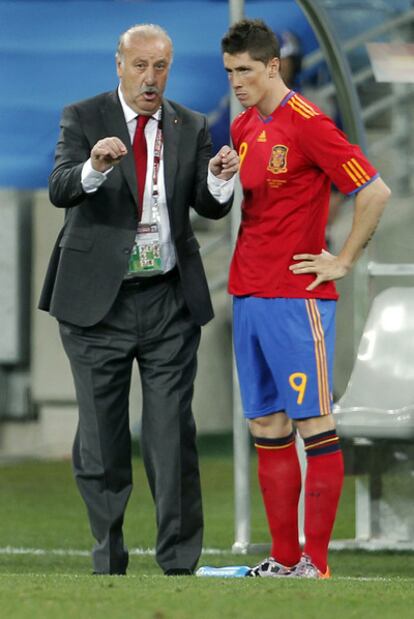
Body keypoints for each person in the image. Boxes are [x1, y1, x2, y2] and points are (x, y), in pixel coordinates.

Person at [39, 23, 239, 576]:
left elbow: (206, 202)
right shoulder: (83, 117)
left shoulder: (190, 123)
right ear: (120, 65)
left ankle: (178, 561)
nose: (151, 78)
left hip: (168, 302)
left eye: (161, 67)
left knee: (172, 434)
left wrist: (220, 180)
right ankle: (109, 557)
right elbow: (59, 186)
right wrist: (95, 167)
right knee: (102, 440)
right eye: (141, 66)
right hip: (95, 305)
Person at [221, 19, 390, 578]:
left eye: (246, 70)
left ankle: (315, 564)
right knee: (266, 428)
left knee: (314, 424)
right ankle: (283, 558)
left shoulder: (310, 124)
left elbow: (373, 188)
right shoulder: (244, 125)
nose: (237, 82)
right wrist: (222, 175)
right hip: (248, 291)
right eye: (230, 72)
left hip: (297, 298)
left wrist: (342, 261)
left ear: (273, 67)